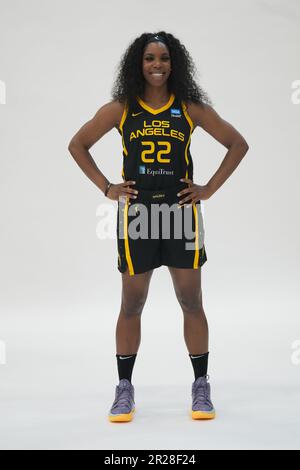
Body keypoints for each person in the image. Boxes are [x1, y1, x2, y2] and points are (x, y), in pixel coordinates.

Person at [68, 31, 249, 423]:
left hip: (181, 214)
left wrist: (209, 190)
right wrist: (107, 188)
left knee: (191, 302)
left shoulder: (189, 107)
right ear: (138, 64)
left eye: (164, 58)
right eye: (149, 58)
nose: (157, 65)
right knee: (132, 304)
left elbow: (238, 144)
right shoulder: (121, 109)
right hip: (137, 217)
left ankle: (201, 386)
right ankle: (124, 389)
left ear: (174, 63)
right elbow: (77, 144)